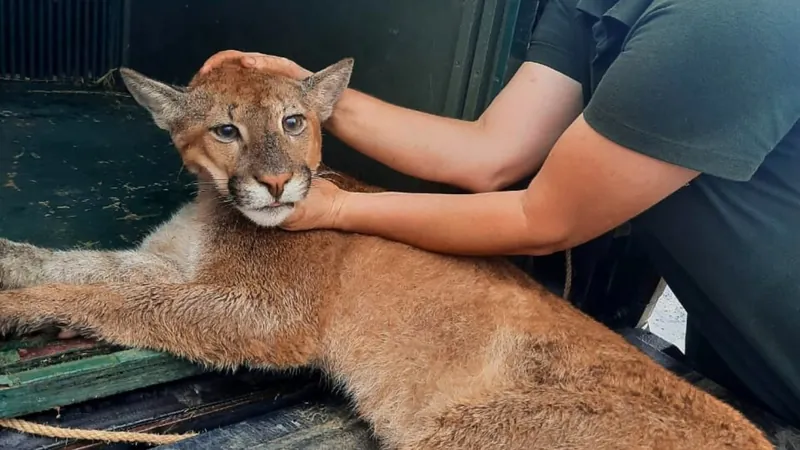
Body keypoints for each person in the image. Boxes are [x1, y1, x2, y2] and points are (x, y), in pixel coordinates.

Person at [200, 0, 800, 426]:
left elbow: (545, 220)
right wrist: (301, 90)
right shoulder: (585, 4)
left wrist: (338, 209)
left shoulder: (731, 17)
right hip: (741, 355)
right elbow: (490, 154)